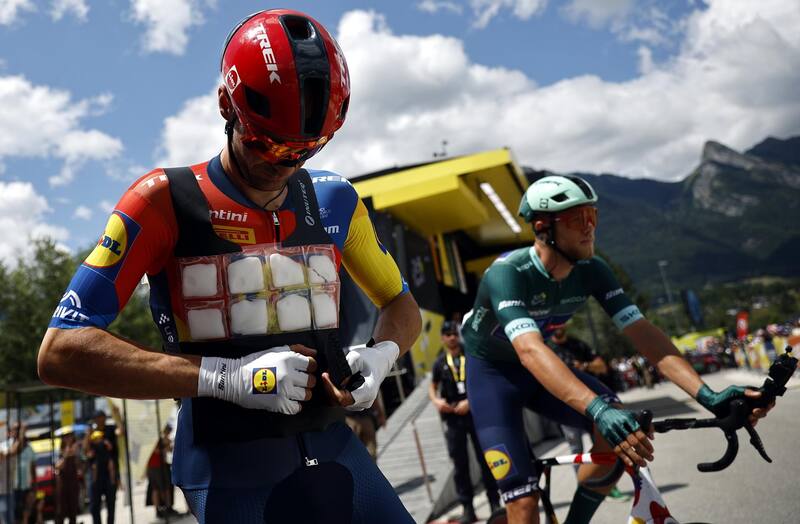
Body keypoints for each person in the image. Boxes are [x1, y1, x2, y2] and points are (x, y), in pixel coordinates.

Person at [38, 8, 421, 524]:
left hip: (333, 447)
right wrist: (225, 378)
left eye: (306, 149)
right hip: (225, 467)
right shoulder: (160, 201)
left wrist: (379, 357)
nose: (283, 163)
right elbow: (61, 350)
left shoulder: (335, 199)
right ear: (226, 104)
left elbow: (400, 304)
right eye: (268, 142)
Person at [461, 175, 774, 524]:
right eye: (578, 220)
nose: (590, 228)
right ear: (542, 226)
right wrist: (596, 409)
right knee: (523, 503)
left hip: (538, 372)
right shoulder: (507, 273)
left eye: (593, 216)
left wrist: (708, 396)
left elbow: (642, 333)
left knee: (619, 431)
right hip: (492, 377)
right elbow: (530, 350)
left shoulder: (593, 270)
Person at [429, 321, 501, 523]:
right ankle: (468, 508)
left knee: (486, 460)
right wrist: (436, 401)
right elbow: (432, 387)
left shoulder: (470, 356)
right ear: (443, 338)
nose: (452, 337)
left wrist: (470, 401)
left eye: (454, 333)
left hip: (475, 414)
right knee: (460, 465)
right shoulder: (440, 362)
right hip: (453, 418)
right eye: (447, 334)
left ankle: (495, 502)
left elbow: (484, 381)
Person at [547, 327, 629, 501]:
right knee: (576, 449)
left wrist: (583, 366)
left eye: (560, 324)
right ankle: (584, 488)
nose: (557, 328)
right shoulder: (546, 346)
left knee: (603, 444)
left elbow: (601, 367)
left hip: (590, 404)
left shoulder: (578, 345)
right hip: (564, 406)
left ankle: (608, 486)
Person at [84, 413, 118, 524]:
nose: (99, 420)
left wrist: (117, 414)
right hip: (95, 474)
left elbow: (120, 432)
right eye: (97, 418)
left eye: (101, 417)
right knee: (94, 506)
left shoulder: (110, 430)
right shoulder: (91, 433)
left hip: (109, 472)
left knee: (111, 504)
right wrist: (88, 437)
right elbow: (86, 453)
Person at [146, 424, 177, 519]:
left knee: (161, 488)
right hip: (156, 466)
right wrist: (165, 446)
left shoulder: (154, 438)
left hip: (158, 466)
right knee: (161, 489)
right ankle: (163, 508)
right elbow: (157, 451)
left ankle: (164, 508)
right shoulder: (154, 438)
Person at [55, 432, 82, 524]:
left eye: (70, 437)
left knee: (73, 511)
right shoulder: (60, 452)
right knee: (61, 511)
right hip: (63, 486)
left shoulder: (76, 451)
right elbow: (58, 466)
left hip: (73, 485)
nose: (68, 439)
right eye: (66, 437)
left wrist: (75, 452)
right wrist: (66, 455)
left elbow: (80, 466)